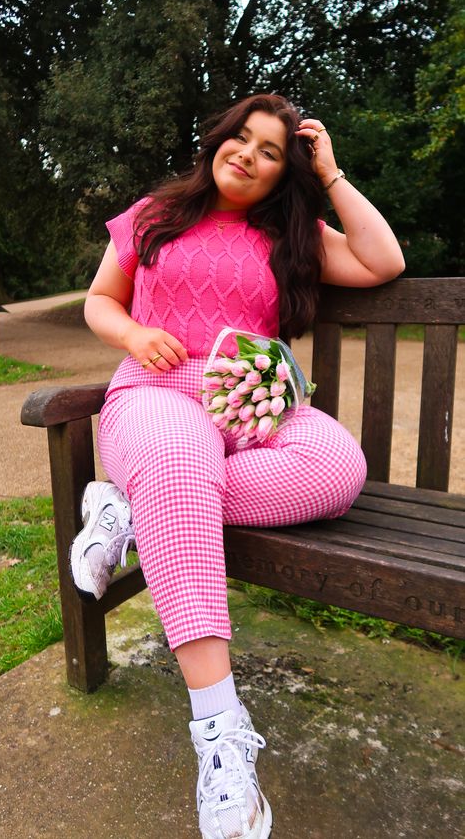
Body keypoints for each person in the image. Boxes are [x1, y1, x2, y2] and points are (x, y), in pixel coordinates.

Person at [70, 94, 405, 839]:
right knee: (179, 461)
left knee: (334, 467)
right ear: (218, 139)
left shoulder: (293, 235)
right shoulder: (156, 213)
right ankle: (221, 734)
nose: (248, 155)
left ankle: (129, 504)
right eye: (241, 138)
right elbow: (99, 299)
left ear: (285, 171)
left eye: (270, 151)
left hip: (249, 406)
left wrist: (333, 174)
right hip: (155, 395)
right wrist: (132, 333)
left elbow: (385, 262)